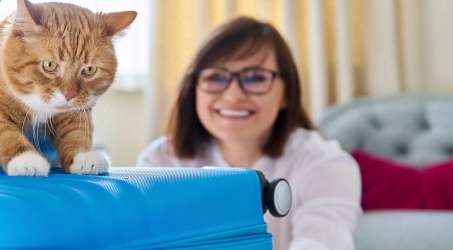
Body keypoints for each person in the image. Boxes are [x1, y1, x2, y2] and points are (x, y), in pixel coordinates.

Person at [137, 17, 361, 250]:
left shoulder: (326, 164)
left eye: (255, 78)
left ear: (286, 93)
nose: (233, 95)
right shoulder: (159, 161)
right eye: (215, 77)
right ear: (194, 89)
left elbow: (322, 241)